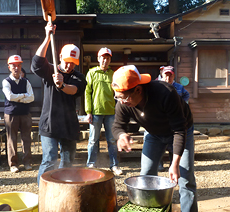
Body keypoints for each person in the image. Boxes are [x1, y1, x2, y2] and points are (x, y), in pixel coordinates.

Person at [111, 65, 198, 212]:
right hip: (154, 134)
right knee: (145, 177)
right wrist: (121, 135)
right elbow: (117, 126)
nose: (121, 102)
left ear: (138, 90)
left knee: (185, 178)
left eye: (123, 97)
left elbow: (179, 130)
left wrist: (174, 163)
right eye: (117, 97)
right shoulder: (123, 103)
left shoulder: (166, 93)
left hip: (181, 131)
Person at [31, 22, 87, 185]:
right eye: (67, 60)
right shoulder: (50, 70)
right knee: (49, 160)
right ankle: (43, 190)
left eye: (73, 62)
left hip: (69, 125)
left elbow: (74, 90)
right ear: (60, 57)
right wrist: (47, 37)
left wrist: (62, 85)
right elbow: (36, 62)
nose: (69, 65)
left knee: (68, 162)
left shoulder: (79, 77)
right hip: (50, 124)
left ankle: (62, 188)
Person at [85, 47, 122, 175]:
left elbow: (118, 93)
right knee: (93, 140)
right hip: (95, 112)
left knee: (112, 140)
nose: (105, 60)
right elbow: (87, 93)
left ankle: (114, 165)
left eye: (107, 58)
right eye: (102, 57)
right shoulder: (91, 73)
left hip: (111, 112)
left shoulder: (113, 74)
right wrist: (88, 111)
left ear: (110, 59)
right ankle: (91, 164)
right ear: (98, 58)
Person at [2, 55, 34, 173]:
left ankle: (27, 162)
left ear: (21, 66)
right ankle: (13, 164)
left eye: (19, 65)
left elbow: (32, 98)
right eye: (14, 65)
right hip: (11, 114)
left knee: (26, 138)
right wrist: (23, 96)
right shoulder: (6, 81)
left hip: (25, 113)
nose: (16, 68)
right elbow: (9, 96)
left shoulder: (26, 82)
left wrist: (18, 97)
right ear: (9, 67)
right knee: (12, 139)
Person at [157, 65, 190, 171]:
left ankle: (173, 164)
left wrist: (183, 104)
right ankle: (159, 164)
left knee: (174, 143)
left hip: (175, 120)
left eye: (170, 75)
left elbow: (186, 95)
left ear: (173, 76)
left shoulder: (179, 87)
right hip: (161, 119)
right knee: (160, 143)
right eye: (166, 75)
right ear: (162, 75)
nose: (168, 78)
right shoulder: (157, 86)